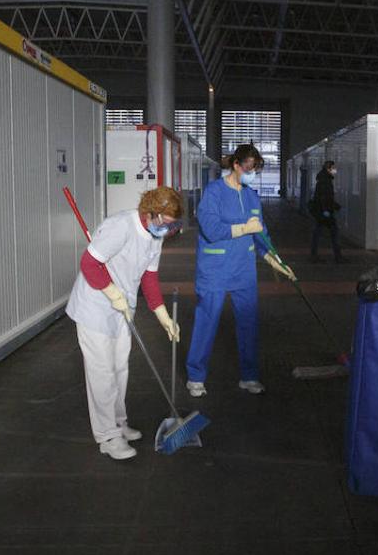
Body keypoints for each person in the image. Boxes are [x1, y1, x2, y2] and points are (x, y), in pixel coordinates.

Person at [65, 186, 184, 460]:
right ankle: (107, 436)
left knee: (120, 368)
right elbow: (89, 264)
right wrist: (112, 293)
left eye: (172, 225)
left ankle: (119, 422)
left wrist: (163, 316)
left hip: (122, 308)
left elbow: (149, 278)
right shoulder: (120, 226)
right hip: (95, 306)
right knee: (102, 372)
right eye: (166, 224)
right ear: (151, 213)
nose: (168, 230)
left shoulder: (156, 235)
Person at [185, 144, 295, 398]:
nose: (252, 173)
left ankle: (249, 376)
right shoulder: (214, 192)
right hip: (215, 268)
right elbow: (210, 228)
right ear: (236, 165)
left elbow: (261, 235)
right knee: (207, 320)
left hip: (244, 270)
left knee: (248, 322)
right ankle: (196, 376)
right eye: (249, 168)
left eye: (255, 169)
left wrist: (274, 259)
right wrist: (242, 228)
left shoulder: (251, 196)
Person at [309, 160, 344, 264]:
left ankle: (314, 255)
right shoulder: (325, 181)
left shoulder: (323, 179)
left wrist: (334, 206)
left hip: (321, 211)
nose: (335, 170)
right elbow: (324, 197)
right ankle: (338, 257)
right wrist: (326, 210)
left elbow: (325, 197)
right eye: (333, 168)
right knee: (334, 233)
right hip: (324, 212)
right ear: (328, 169)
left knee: (317, 234)